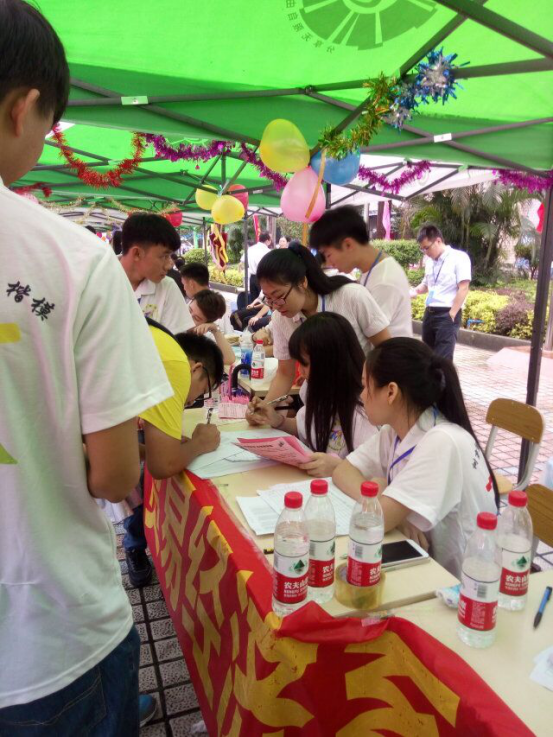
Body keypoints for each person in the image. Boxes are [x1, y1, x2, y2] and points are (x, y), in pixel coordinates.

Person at [0, 1, 172, 730]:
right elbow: (113, 475)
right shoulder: (73, 261)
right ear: (24, 107)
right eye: (48, 125)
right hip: (51, 633)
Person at [333, 338, 499, 578]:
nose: (362, 394)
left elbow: (379, 519)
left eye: (366, 386)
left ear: (391, 392)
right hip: (426, 565)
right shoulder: (395, 431)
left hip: (463, 584)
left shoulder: (442, 441)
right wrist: (384, 502)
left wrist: (387, 507)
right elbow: (342, 471)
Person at [248, 242, 391, 405]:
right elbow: (285, 373)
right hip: (320, 404)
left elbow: (387, 349)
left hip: (362, 398)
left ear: (302, 282)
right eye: (269, 299)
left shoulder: (351, 297)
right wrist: (266, 406)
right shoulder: (280, 318)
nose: (275, 306)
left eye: (279, 296)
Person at [247, 313, 374, 476]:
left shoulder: (364, 413)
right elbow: (305, 427)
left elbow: (374, 473)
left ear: (330, 363)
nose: (300, 372)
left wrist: (339, 468)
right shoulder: (320, 393)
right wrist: (277, 420)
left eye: (305, 364)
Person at [310, 205, 413, 338]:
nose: (329, 263)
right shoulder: (374, 270)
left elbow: (370, 336)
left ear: (348, 245)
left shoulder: (384, 281)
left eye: (328, 255)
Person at [139, 324, 224, 480]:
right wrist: (200, 443)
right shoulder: (177, 365)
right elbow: (163, 466)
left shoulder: (161, 347)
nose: (192, 402)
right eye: (203, 390)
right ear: (196, 369)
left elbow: (115, 444)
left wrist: (156, 450)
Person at [120, 212, 194, 334]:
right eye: (164, 256)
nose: (170, 265)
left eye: (170, 256)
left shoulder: (167, 287)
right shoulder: (99, 281)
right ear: (137, 253)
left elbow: (176, 340)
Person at [412, 223, 471, 361]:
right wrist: (414, 291)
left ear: (438, 241)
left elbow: (464, 287)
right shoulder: (430, 262)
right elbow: (426, 285)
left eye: (427, 247)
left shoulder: (459, 257)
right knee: (427, 356)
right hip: (429, 313)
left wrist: (452, 313)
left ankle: (444, 377)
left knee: (443, 359)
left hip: (447, 314)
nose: (425, 252)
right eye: (422, 249)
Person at [188, 289, 237, 365]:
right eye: (189, 310)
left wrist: (215, 330)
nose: (189, 317)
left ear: (206, 323)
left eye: (196, 318)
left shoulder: (204, 337)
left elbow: (229, 359)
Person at [240, 230, 272, 301]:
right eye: (270, 239)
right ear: (267, 240)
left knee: (253, 301)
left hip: (252, 278)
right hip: (263, 278)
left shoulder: (251, 249)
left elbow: (242, 260)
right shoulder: (268, 251)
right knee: (262, 301)